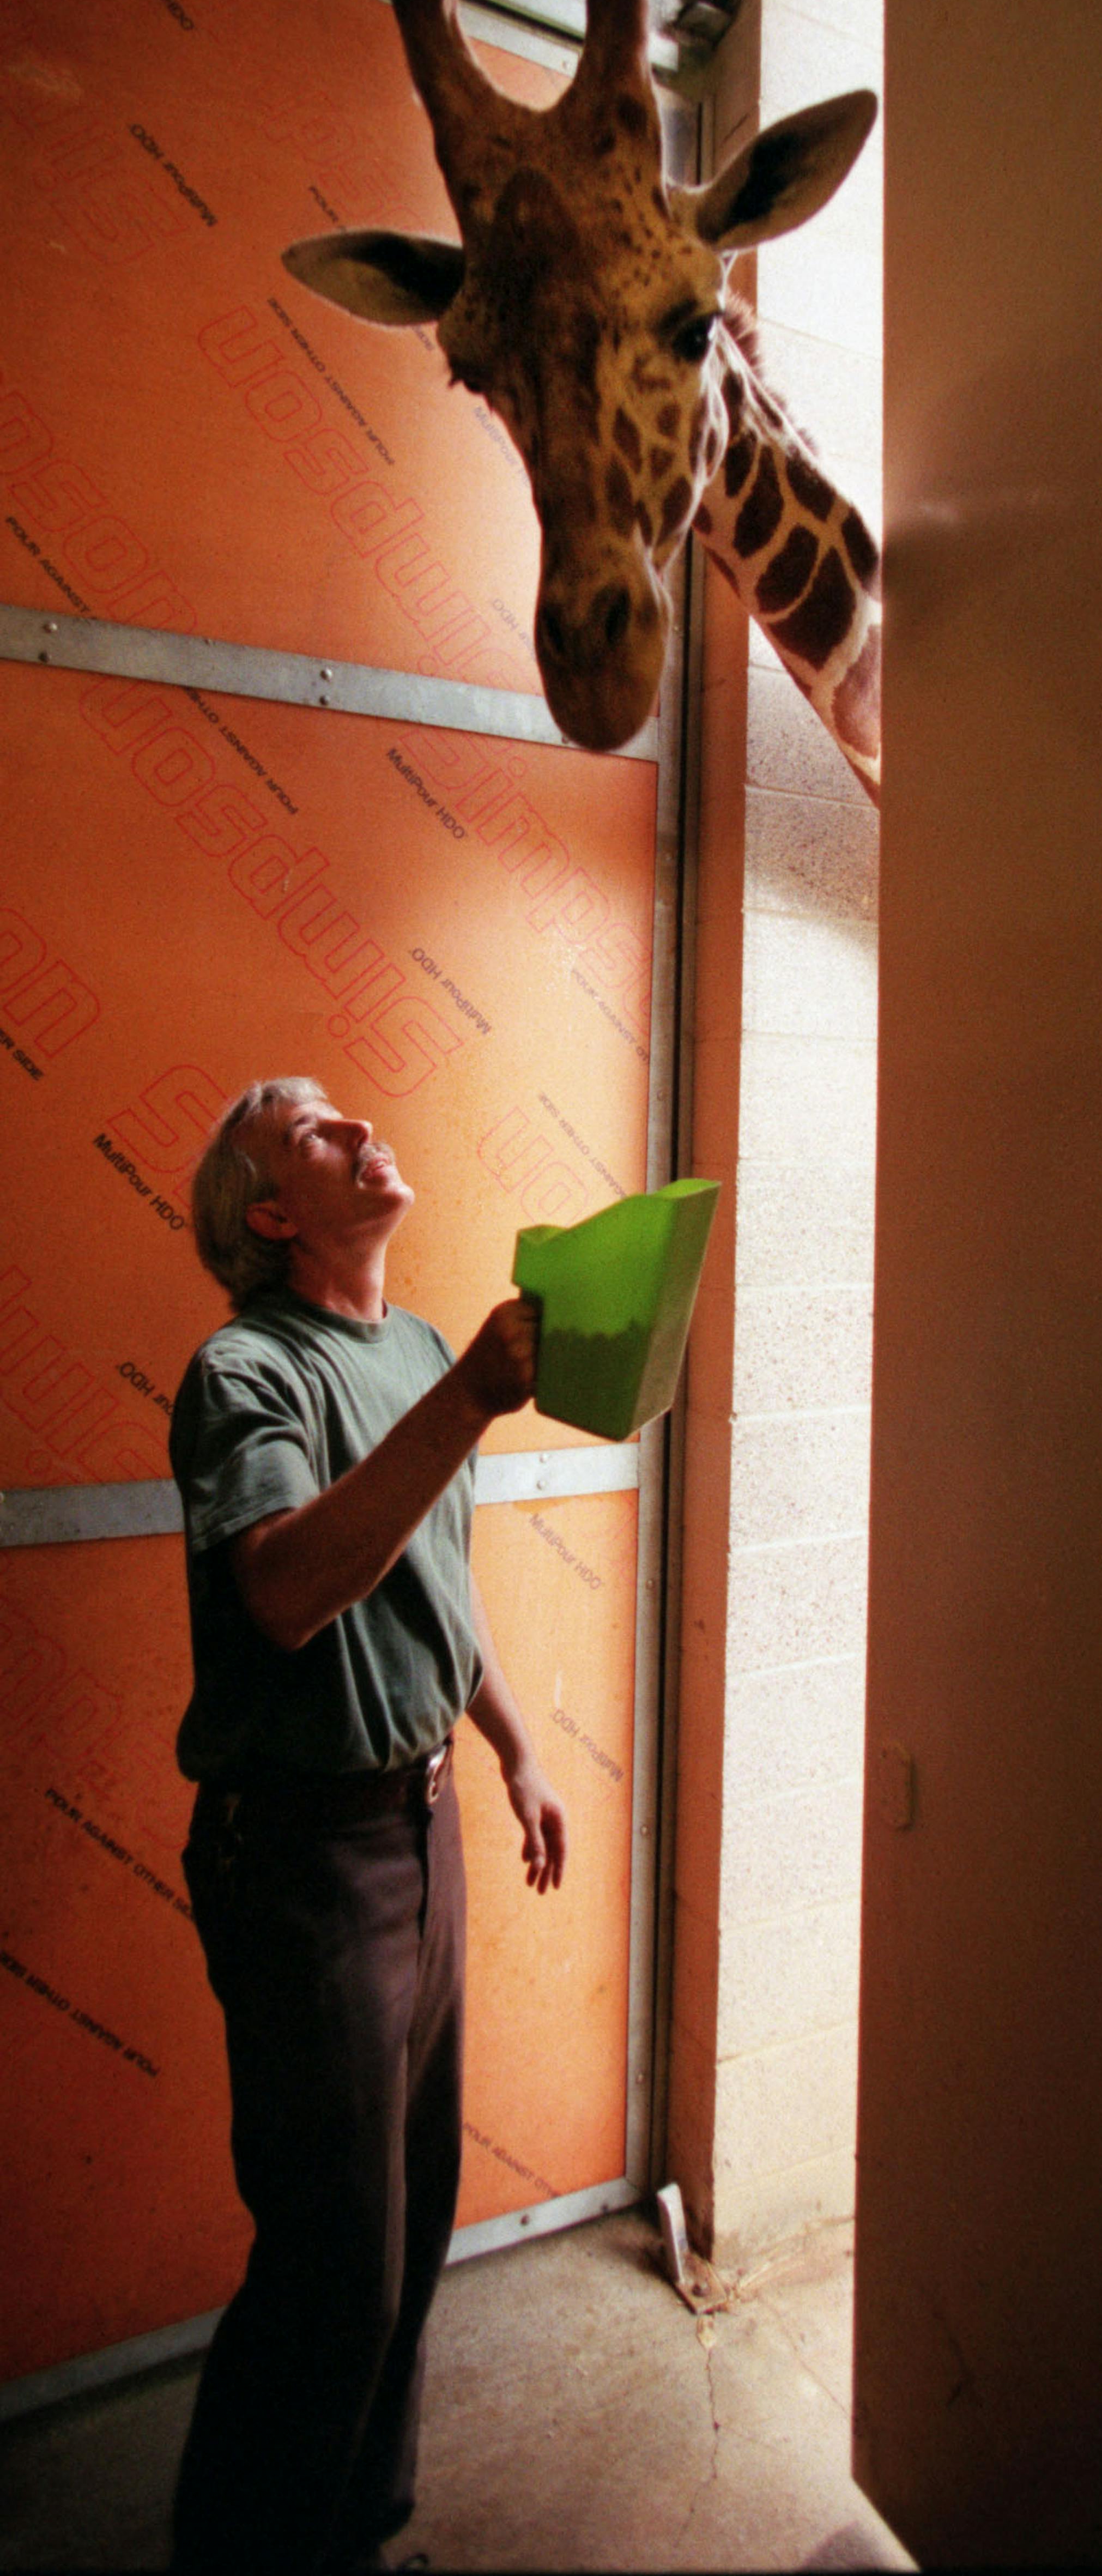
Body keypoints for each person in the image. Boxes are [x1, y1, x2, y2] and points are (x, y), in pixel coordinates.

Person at [168, 1075, 568, 2576]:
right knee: (330, 2265)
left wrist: (518, 1747)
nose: (353, 1127)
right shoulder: (246, 1370)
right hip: (303, 1860)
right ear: (275, 1214)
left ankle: (359, 2535)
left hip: (422, 1825)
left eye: (345, 1111)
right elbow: (283, 1588)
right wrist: (465, 1402)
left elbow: (435, 1591)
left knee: (409, 2229)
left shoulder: (413, 1346)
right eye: (309, 1131)